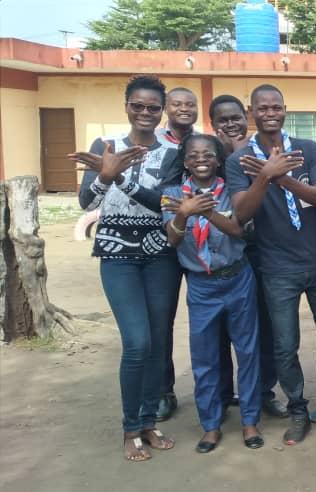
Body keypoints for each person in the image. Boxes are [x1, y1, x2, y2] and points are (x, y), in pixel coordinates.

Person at [225, 84, 316, 445]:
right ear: (252, 113)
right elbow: (241, 213)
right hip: (277, 267)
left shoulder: (307, 150)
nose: (269, 112)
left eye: (276, 106)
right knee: (284, 344)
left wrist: (282, 177)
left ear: (284, 110)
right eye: (262, 108)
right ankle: (297, 408)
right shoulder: (239, 162)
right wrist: (263, 176)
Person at [70, 74, 180, 461]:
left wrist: (121, 180)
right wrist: (104, 174)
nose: (146, 113)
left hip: (159, 254)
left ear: (161, 110)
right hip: (117, 253)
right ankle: (130, 427)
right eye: (138, 105)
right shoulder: (106, 145)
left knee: (158, 343)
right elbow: (86, 202)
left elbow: (165, 204)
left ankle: (149, 422)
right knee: (137, 342)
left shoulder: (172, 150)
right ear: (127, 106)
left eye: (153, 107)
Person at [161, 133, 264, 453]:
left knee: (247, 353)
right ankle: (211, 425)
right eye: (193, 155)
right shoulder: (172, 194)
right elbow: (173, 240)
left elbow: (239, 229)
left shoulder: (233, 191)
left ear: (219, 160)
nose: (201, 159)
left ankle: (249, 420)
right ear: (186, 161)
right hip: (202, 285)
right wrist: (183, 212)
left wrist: (204, 212)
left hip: (237, 278)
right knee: (204, 357)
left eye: (208, 154)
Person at [209, 94, 289, 419]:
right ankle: (225, 393)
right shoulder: (210, 154)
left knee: (264, 326)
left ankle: (264, 391)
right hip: (222, 254)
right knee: (222, 330)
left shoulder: (260, 150)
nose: (230, 124)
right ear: (214, 124)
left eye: (235, 117)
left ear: (247, 117)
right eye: (222, 119)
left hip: (261, 248)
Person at [153, 87, 199, 422]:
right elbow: (156, 195)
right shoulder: (156, 145)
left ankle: (222, 389)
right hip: (171, 241)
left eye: (190, 104)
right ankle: (163, 390)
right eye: (177, 104)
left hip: (206, 247)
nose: (184, 109)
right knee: (163, 320)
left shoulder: (206, 144)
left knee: (212, 324)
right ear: (166, 108)